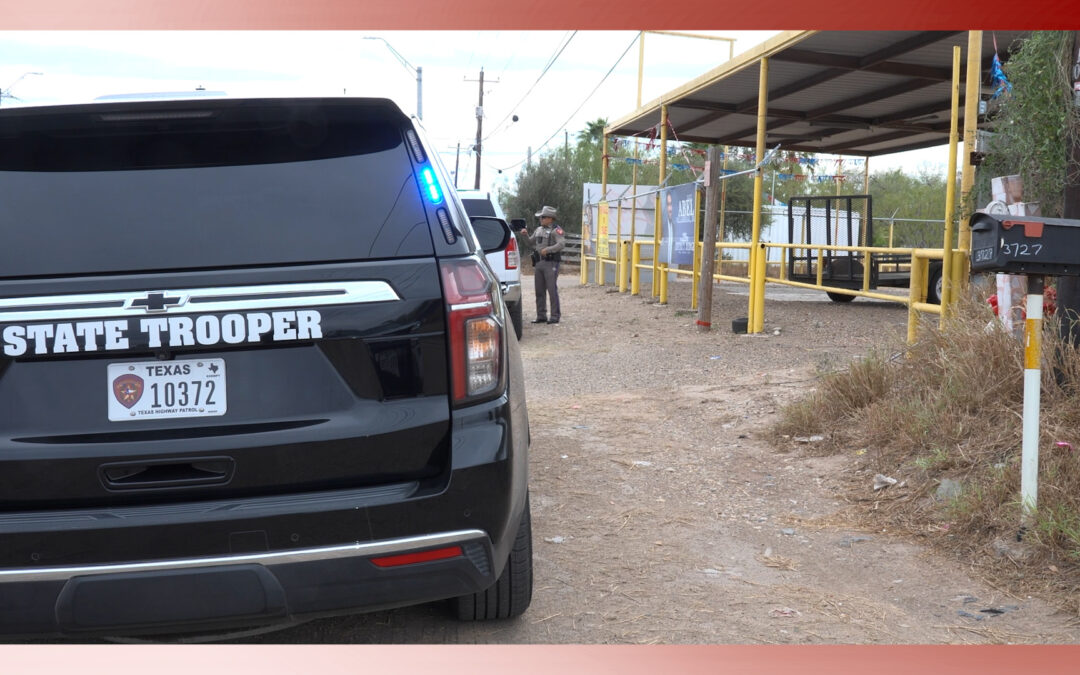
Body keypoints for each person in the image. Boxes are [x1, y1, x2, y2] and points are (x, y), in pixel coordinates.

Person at [516, 205, 565, 324]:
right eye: (541, 217)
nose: (541, 219)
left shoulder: (556, 230)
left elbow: (561, 244)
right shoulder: (539, 230)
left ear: (550, 218)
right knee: (539, 290)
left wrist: (548, 250)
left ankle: (555, 316)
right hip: (539, 263)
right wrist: (525, 235)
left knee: (552, 289)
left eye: (543, 217)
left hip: (551, 262)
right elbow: (530, 242)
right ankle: (541, 315)